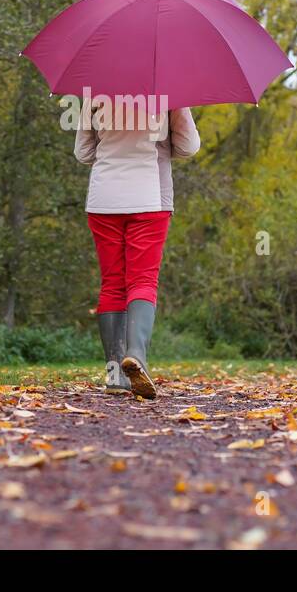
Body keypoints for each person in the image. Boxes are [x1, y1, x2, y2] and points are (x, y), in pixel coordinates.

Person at [75, 101, 200, 399]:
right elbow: (188, 146)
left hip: (104, 198)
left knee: (112, 284)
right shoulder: (168, 90)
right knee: (142, 280)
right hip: (150, 198)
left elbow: (83, 153)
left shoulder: (93, 90)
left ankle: (115, 374)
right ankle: (136, 355)